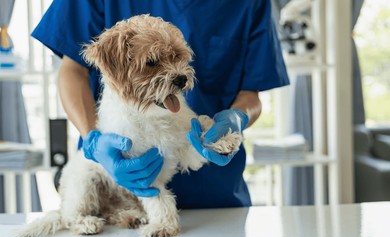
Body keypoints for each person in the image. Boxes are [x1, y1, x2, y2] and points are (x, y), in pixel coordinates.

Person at [32, 0, 289, 209]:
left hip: (213, 193)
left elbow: (251, 95)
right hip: (120, 193)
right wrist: (93, 139)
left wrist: (236, 118)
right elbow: (72, 70)